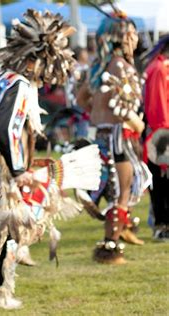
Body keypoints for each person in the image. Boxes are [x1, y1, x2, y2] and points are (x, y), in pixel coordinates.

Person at [0, 10, 77, 309]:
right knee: (5, 227)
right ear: (41, 58)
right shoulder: (19, 84)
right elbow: (5, 128)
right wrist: (19, 169)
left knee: (5, 226)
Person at [77, 9, 149, 264]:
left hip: (101, 135)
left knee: (116, 191)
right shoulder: (122, 66)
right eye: (132, 34)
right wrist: (139, 124)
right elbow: (125, 110)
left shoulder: (97, 66)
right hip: (120, 137)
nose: (136, 39)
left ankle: (121, 234)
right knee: (122, 192)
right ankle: (109, 249)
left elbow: (80, 98)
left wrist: (98, 113)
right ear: (122, 38)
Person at [143, 35, 169, 241]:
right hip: (160, 134)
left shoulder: (160, 67)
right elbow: (158, 107)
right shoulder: (159, 70)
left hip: (160, 131)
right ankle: (162, 226)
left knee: (163, 183)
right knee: (162, 183)